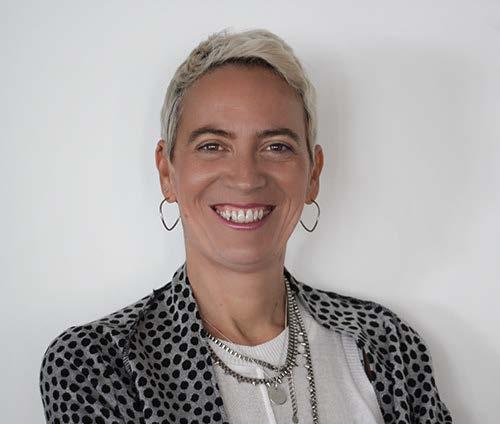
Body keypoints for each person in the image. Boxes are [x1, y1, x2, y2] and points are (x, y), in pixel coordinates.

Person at [39, 28, 453, 424]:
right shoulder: (97, 364)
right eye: (212, 146)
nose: (246, 178)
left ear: (312, 174)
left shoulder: (386, 344)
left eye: (276, 146)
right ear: (167, 172)